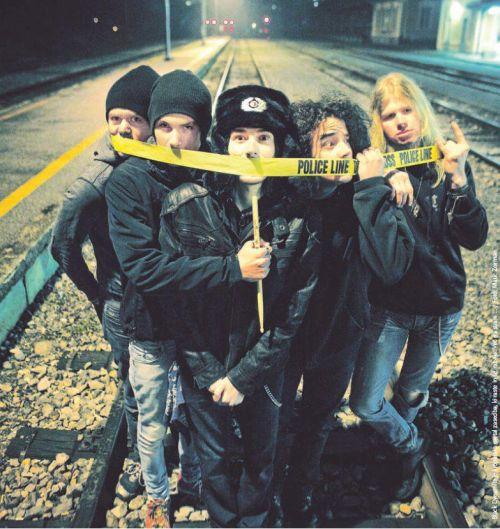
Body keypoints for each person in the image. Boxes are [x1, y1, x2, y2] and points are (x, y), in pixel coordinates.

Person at [106, 72, 271, 528]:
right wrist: (231, 269)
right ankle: (157, 495)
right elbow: (145, 268)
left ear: (203, 130)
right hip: (153, 328)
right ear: (152, 127)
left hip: (204, 327)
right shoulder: (128, 182)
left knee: (198, 418)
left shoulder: (213, 168)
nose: (176, 140)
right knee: (153, 420)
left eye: (187, 127)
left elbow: (280, 174)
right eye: (164, 127)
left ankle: (196, 480)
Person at [158, 85, 321, 527]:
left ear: (279, 147)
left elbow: (293, 313)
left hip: (264, 366)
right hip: (204, 364)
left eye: (263, 138)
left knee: (260, 458)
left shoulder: (300, 218)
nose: (251, 149)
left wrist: (246, 375)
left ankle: (254, 520)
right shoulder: (185, 206)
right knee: (213, 460)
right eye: (240, 137)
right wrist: (211, 373)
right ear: (223, 145)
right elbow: (174, 302)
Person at [274, 93, 416, 527]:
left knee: (318, 418)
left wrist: (375, 189)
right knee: (276, 417)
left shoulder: (366, 192)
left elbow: (392, 267)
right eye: (328, 142)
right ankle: (268, 492)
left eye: (347, 141)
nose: (342, 151)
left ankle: (298, 493)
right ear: (304, 151)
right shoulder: (285, 194)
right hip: (284, 337)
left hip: (341, 331)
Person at [350, 72, 488, 500]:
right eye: (390, 115)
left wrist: (459, 179)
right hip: (390, 307)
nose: (400, 122)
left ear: (420, 111)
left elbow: (474, 237)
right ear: (379, 123)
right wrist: (382, 180)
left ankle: (393, 455)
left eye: (407, 110)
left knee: (411, 391)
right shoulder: (374, 166)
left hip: (442, 304)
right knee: (365, 402)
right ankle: (409, 445)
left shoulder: (444, 162)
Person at [51, 65, 159, 499]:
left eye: (135, 119)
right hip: (122, 301)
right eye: (115, 118)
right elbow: (62, 245)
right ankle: (139, 459)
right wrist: (96, 294)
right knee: (134, 387)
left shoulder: (163, 162)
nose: (123, 128)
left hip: (163, 294)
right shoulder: (96, 183)